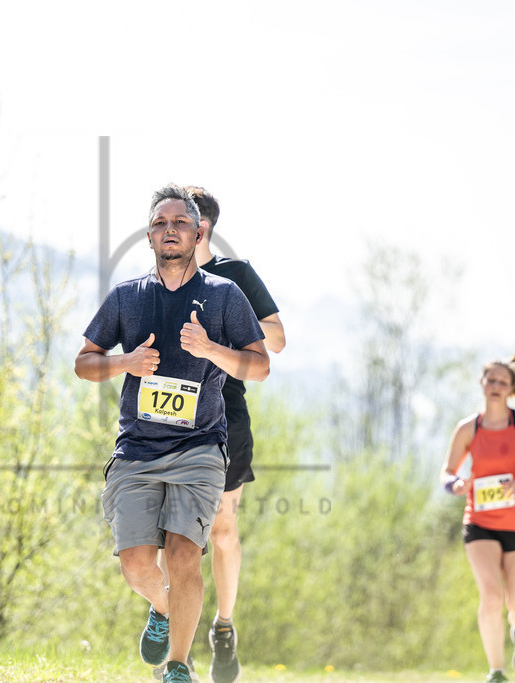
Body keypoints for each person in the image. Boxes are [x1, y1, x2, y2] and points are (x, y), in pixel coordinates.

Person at [74, 184, 269, 683]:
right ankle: (163, 610)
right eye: (160, 223)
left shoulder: (225, 295)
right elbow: (84, 363)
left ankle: (177, 666)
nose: (170, 231)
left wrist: (210, 350)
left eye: (180, 222)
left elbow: (259, 365)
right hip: (137, 450)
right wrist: (126, 361)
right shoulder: (127, 298)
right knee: (138, 566)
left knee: (184, 557)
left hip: (200, 448)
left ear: (198, 231)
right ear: (149, 236)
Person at [186, 185, 285, 683]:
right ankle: (173, 629)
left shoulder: (236, 276)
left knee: (221, 530)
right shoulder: (157, 279)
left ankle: (223, 628)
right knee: (173, 535)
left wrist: (225, 327)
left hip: (226, 418)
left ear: (201, 227)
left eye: (179, 222)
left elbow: (278, 340)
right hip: (169, 421)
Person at [440, 343, 515, 683]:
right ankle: (496, 671)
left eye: (502, 381)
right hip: (480, 523)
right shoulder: (468, 428)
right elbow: (446, 472)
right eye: (490, 379)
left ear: (511, 388)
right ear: (481, 383)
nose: (495, 385)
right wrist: (455, 485)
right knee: (491, 598)